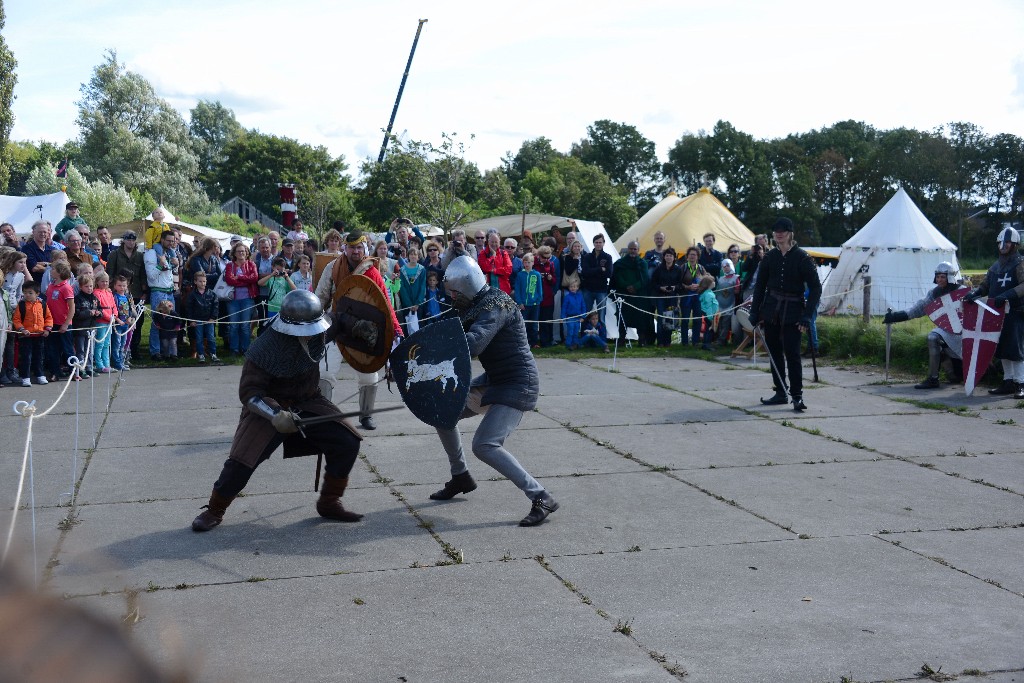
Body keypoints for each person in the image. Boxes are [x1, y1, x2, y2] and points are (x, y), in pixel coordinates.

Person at [191, 290, 366, 532]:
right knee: (243, 459)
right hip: (270, 407)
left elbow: (340, 320)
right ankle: (215, 509)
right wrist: (275, 415)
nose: (312, 333)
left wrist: (362, 327)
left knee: (347, 441)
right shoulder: (265, 348)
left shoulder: (319, 328)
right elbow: (249, 393)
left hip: (308, 401)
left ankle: (329, 501)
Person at [429, 255, 559, 526]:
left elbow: (474, 343)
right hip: (495, 380)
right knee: (442, 412)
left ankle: (541, 496)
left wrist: (437, 348)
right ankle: (461, 476)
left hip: (518, 384)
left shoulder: (496, 305)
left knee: (485, 445)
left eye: (454, 292)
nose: (452, 296)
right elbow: (445, 331)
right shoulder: (473, 304)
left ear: (465, 287)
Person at [314, 230, 403, 430]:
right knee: (325, 372)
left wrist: (396, 330)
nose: (356, 251)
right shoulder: (333, 267)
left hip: (365, 329)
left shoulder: (372, 272)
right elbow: (320, 298)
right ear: (345, 248)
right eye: (352, 247)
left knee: (369, 375)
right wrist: (314, 324)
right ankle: (324, 416)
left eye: (359, 247)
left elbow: (385, 304)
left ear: (365, 248)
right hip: (336, 324)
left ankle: (366, 416)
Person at [749, 217, 822, 411]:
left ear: (790, 233)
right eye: (776, 230)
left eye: (783, 230)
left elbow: (815, 288)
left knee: (792, 354)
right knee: (774, 353)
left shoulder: (802, 258)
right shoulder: (769, 257)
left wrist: (807, 315)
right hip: (771, 310)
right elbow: (760, 287)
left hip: (794, 312)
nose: (779, 233)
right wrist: (755, 311)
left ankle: (797, 395)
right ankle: (781, 392)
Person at [882, 262, 967, 389]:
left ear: (950, 277)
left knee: (934, 337)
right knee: (934, 338)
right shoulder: (935, 293)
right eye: (937, 276)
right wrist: (897, 316)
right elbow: (919, 308)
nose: (939, 279)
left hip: (964, 333)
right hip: (948, 331)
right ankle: (937, 378)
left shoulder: (962, 292)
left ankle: (952, 376)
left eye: (942, 277)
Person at [964, 227, 1024, 398]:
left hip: (1016, 311)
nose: (1003, 245)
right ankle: (1008, 382)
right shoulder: (995, 266)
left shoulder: (1020, 263)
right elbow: (986, 286)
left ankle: (1021, 383)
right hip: (997, 313)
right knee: (1002, 348)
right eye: (1001, 242)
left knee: (1015, 349)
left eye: (1007, 242)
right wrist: (975, 293)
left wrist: (1008, 295)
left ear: (1014, 244)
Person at [105, 230, 147, 358]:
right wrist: (110, 291)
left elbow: (143, 275)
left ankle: (134, 350)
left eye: (133, 239)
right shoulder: (114, 254)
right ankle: (117, 352)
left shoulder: (140, 256)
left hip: (136, 293)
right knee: (120, 323)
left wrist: (145, 292)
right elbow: (110, 274)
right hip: (119, 293)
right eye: (128, 239)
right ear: (123, 240)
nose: (131, 241)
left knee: (137, 323)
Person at [144, 231, 180, 361]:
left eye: (173, 241)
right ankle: (155, 351)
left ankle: (170, 352)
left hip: (169, 290)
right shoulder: (151, 253)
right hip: (158, 291)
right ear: (162, 239)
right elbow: (151, 275)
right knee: (157, 321)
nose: (171, 243)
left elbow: (171, 272)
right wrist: (161, 265)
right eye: (168, 241)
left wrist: (174, 264)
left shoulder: (170, 253)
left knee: (170, 321)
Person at [611, 240, 653, 345]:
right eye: (631, 248)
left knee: (640, 317)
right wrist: (626, 286)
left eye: (635, 249)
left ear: (638, 250)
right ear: (628, 249)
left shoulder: (642, 263)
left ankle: (641, 339)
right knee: (622, 316)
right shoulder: (620, 263)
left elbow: (645, 278)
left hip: (638, 295)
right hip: (624, 295)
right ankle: (621, 338)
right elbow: (617, 277)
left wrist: (635, 286)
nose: (633, 251)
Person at [223, 242, 259, 355]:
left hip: (247, 299)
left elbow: (254, 278)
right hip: (233, 300)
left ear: (247, 252)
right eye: (238, 251)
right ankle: (234, 349)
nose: (241, 253)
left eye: (243, 251)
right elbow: (229, 280)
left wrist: (239, 277)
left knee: (244, 325)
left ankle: (245, 349)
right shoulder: (230, 265)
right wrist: (245, 281)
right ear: (234, 253)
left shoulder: (251, 264)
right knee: (234, 325)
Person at [13, 281, 52, 385]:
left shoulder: (43, 304)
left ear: (37, 293)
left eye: (30, 293)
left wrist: (47, 329)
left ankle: (40, 375)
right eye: (25, 292)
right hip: (26, 336)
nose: (27, 295)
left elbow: (48, 317)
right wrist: (22, 329)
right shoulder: (21, 305)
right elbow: (16, 319)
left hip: (39, 335)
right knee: (26, 357)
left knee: (39, 356)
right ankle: (25, 377)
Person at [44, 260, 75, 381]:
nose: (51, 271)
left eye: (53, 269)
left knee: (68, 349)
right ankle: (55, 372)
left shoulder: (66, 287)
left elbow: (72, 307)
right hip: (52, 323)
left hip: (63, 324)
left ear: (60, 272)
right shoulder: (51, 286)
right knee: (53, 349)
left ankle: (74, 371)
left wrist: (66, 323)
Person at [650, 247, 683, 347]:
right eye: (667, 255)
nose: (669, 257)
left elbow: (680, 284)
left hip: (672, 297)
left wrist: (674, 287)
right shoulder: (658, 269)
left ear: (674, 258)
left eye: (671, 256)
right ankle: (660, 341)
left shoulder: (678, 269)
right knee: (661, 318)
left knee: (669, 318)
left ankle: (667, 341)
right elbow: (653, 283)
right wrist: (661, 288)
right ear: (664, 257)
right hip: (661, 296)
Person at [72, 274, 102, 377]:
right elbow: (76, 314)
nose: (89, 288)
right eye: (86, 286)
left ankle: (89, 367)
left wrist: (98, 313)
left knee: (90, 350)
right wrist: (89, 313)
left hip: (92, 328)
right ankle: (81, 369)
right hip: (81, 329)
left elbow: (100, 309)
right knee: (81, 350)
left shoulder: (94, 298)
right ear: (80, 287)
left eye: (91, 286)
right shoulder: (78, 299)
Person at [187, 270, 220, 364]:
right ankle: (200, 354)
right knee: (199, 338)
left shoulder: (212, 294)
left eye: (204, 281)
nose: (203, 283)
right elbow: (189, 309)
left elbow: (216, 307)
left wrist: (213, 318)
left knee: (211, 337)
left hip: (209, 320)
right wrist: (191, 320)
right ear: (195, 282)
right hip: (197, 320)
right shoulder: (192, 295)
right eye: (200, 281)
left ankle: (213, 354)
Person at [513, 252, 542, 348]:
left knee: (534, 324)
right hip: (524, 305)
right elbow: (517, 290)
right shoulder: (520, 275)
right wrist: (520, 302)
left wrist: (538, 300)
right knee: (524, 324)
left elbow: (539, 289)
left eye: (529, 262)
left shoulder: (536, 274)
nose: (527, 264)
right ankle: (524, 343)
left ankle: (534, 342)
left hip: (534, 304)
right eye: (525, 262)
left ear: (533, 263)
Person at [580, 234, 612, 317]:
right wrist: (600, 269)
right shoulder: (587, 257)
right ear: (593, 243)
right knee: (585, 314)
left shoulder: (608, 257)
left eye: (600, 242)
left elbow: (609, 274)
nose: (598, 244)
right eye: (596, 242)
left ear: (603, 243)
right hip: (588, 289)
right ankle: (584, 329)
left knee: (601, 315)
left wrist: (592, 271)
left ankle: (602, 330)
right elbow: (585, 272)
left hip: (601, 290)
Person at [534, 246, 559, 347]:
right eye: (544, 257)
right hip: (536, 297)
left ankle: (547, 341)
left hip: (548, 297)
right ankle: (535, 341)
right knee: (536, 320)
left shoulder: (551, 264)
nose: (546, 259)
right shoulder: (533, 263)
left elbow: (554, 280)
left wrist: (550, 278)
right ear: (539, 256)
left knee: (547, 320)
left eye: (548, 257)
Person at [92, 271, 116, 374]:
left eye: (106, 281)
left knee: (107, 343)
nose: (105, 284)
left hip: (109, 321)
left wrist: (114, 315)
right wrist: (108, 317)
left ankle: (107, 364)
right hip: (101, 321)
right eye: (102, 281)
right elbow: (99, 308)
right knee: (100, 343)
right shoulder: (96, 293)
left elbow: (113, 306)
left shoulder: (109, 293)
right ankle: (99, 364)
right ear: (97, 282)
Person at [399, 245, 426, 334]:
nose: (413, 256)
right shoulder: (402, 270)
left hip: (419, 303)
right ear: (408, 256)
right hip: (407, 304)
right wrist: (409, 304)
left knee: (419, 325)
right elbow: (402, 288)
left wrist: (418, 303)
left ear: (418, 257)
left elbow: (422, 287)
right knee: (408, 326)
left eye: (415, 254)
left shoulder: (422, 269)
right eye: (411, 254)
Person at [477, 230, 513, 295]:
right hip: (487, 291)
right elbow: (484, 268)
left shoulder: (504, 253)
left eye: (496, 242)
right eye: (492, 242)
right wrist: (493, 256)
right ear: (488, 242)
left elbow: (508, 270)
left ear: (499, 242)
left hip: (503, 291)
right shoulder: (483, 254)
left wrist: (495, 271)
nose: (494, 244)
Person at [715, 258, 741, 345]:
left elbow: (737, 291)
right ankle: (722, 340)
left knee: (726, 324)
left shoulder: (736, 278)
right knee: (720, 323)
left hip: (730, 304)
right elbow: (718, 292)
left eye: (727, 266)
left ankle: (721, 341)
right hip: (721, 304)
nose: (726, 268)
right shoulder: (721, 279)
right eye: (724, 266)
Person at [111, 275, 134, 371]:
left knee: (123, 344)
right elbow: (113, 309)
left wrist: (130, 318)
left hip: (126, 324)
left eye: (124, 286)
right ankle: (116, 363)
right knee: (117, 344)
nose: (122, 288)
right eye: (119, 285)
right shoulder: (114, 297)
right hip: (118, 324)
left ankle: (121, 361)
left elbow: (130, 308)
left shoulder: (128, 296)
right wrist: (117, 320)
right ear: (115, 286)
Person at [23, 220, 56, 287]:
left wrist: (42, 264)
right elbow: (35, 268)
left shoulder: (52, 249)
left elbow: (59, 266)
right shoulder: (26, 249)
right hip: (35, 288)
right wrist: (51, 266)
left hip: (52, 287)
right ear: (33, 232)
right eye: (40, 232)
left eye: (45, 232)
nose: (43, 234)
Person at [561, 279, 586, 350]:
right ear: (569, 288)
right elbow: (564, 308)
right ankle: (568, 344)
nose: (573, 288)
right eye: (571, 287)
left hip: (578, 318)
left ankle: (576, 344)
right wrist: (563, 317)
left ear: (577, 288)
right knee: (570, 331)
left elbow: (583, 307)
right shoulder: (567, 297)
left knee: (576, 332)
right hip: (570, 318)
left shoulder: (580, 296)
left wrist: (583, 317)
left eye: (574, 286)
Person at [697, 275, 719, 350]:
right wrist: (711, 317)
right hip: (709, 315)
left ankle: (705, 344)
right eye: (713, 281)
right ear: (709, 284)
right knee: (709, 330)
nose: (714, 282)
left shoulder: (708, 292)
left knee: (707, 329)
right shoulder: (708, 295)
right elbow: (709, 307)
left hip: (709, 315)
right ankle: (707, 344)